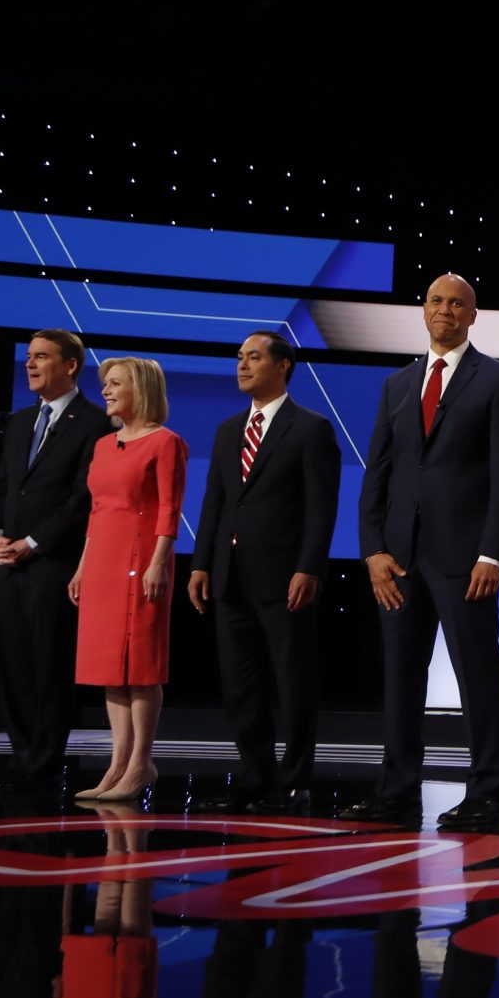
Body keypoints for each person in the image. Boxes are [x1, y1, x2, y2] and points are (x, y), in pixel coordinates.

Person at [351, 273, 499, 830]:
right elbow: (376, 473)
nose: (444, 310)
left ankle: (487, 793)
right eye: (435, 301)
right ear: (423, 311)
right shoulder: (398, 385)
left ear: (472, 316)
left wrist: (492, 555)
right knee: (400, 675)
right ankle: (397, 789)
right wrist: (372, 549)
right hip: (398, 558)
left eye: (457, 303)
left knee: (478, 673)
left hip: (464, 558)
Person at [187, 331, 342, 813]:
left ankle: (296, 780)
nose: (242, 366)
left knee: (293, 683)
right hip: (229, 578)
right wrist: (201, 563)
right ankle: (255, 777)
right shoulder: (228, 429)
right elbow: (214, 502)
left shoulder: (310, 429)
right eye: (239, 358)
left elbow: (322, 509)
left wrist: (309, 567)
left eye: (253, 357)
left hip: (284, 580)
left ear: (283, 367)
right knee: (241, 686)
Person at [0, 328, 112, 797]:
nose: (30, 365)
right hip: (7, 563)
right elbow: (0, 488)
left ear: (70, 365)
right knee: (12, 663)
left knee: (47, 666)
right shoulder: (17, 422)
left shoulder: (94, 423)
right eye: (28, 357)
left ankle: (45, 763)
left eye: (41, 357)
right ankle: (20, 760)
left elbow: (82, 498)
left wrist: (33, 541)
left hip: (53, 563)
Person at [70, 356, 189, 802]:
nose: (105, 391)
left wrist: (159, 561)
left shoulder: (165, 443)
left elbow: (168, 510)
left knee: (140, 666)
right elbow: (97, 512)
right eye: (105, 384)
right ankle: (117, 764)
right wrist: (84, 564)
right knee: (110, 670)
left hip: (141, 562)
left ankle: (141, 763)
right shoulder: (104, 445)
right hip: (101, 560)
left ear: (138, 389)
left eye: (114, 383)